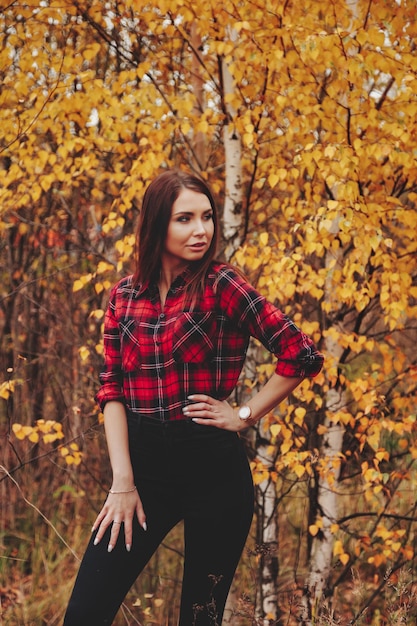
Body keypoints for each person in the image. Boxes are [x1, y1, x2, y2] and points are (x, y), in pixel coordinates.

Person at [63, 169, 324, 626]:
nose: (201, 230)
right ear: (156, 224)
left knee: (199, 619)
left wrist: (243, 414)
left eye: (207, 217)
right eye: (184, 218)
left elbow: (300, 354)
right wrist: (122, 479)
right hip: (142, 473)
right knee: (85, 613)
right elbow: (111, 389)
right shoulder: (124, 296)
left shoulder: (222, 285)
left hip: (213, 471)